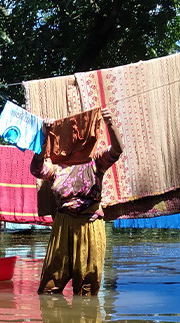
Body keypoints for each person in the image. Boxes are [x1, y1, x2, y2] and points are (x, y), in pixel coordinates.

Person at [29, 109, 124, 295]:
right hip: (63, 227)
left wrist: (110, 123)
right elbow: (36, 169)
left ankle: (85, 321)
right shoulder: (58, 167)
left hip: (89, 226)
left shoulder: (95, 162)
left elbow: (116, 151)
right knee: (49, 287)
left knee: (86, 290)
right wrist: (44, 136)